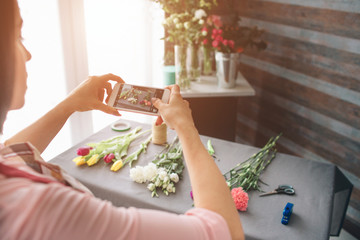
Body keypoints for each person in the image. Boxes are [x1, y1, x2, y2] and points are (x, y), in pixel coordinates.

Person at [0, 0, 245, 239]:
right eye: (18, 37)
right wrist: (186, 127)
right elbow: (223, 231)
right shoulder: (42, 209)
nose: (28, 54)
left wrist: (68, 105)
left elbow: (11, 152)